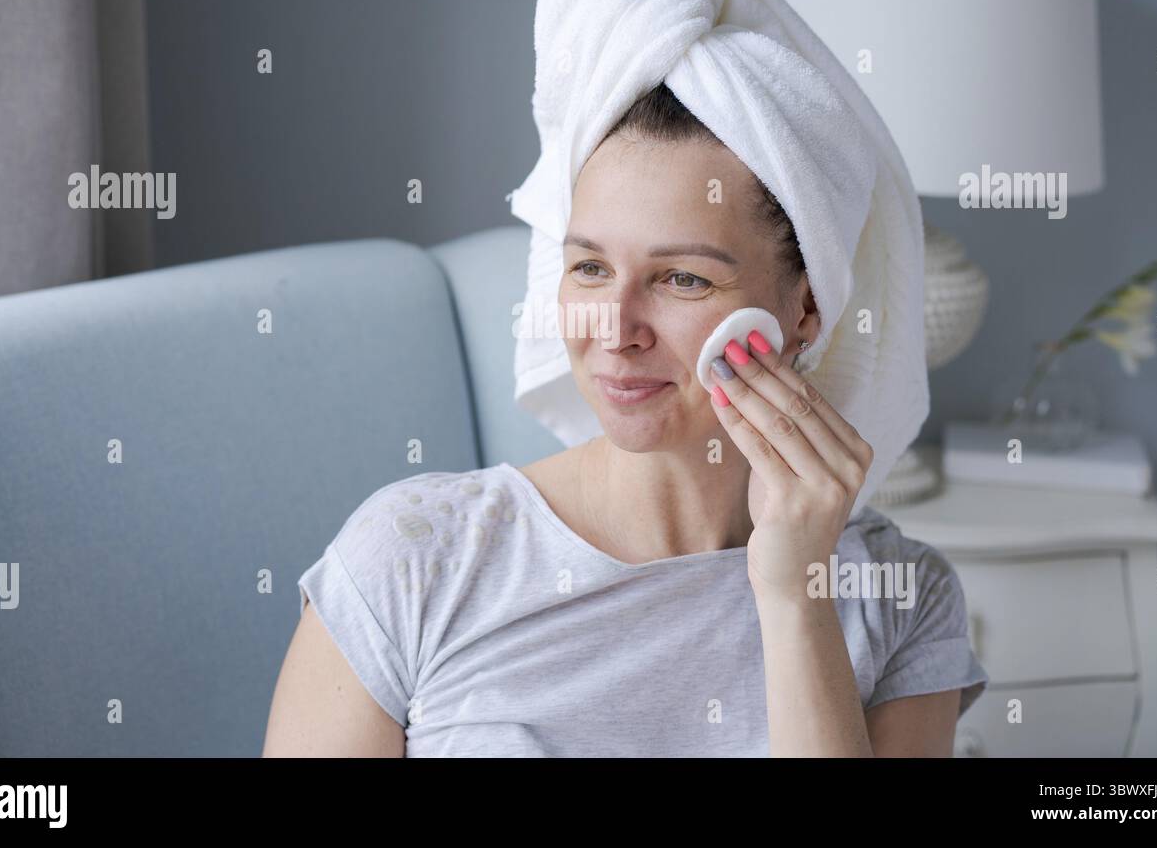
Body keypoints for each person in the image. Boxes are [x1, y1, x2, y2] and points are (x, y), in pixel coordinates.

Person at [263, 83, 988, 757]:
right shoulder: (412, 558)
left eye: (682, 278)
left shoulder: (898, 596)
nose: (616, 329)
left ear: (804, 310)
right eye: (590, 268)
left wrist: (796, 595)